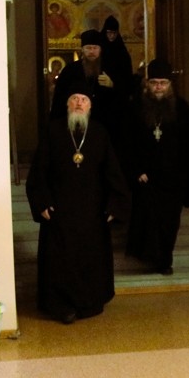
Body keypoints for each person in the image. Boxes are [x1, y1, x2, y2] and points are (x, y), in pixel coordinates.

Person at [26, 81, 131, 324]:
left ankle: (89, 303)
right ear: (67, 104)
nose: (79, 103)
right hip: (59, 212)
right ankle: (60, 305)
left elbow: (112, 171)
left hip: (92, 212)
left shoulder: (100, 133)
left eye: (84, 99)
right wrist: (42, 202)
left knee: (89, 260)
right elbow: (39, 171)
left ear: (90, 105)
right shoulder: (53, 131)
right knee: (59, 261)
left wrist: (115, 204)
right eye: (74, 98)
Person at [125, 59, 189, 275]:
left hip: (174, 178)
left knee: (170, 222)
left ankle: (164, 261)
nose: (158, 87)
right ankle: (151, 257)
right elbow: (127, 143)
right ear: (147, 84)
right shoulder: (136, 107)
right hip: (147, 178)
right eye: (154, 83)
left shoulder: (182, 108)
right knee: (149, 219)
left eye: (163, 83)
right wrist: (136, 170)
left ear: (170, 84)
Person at [50, 29, 127, 148]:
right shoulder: (70, 70)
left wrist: (112, 85)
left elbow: (123, 97)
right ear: (82, 49)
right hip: (76, 123)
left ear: (100, 49)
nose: (92, 52)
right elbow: (59, 99)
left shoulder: (110, 69)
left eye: (95, 48)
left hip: (104, 125)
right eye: (88, 48)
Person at [100, 15, 133, 96]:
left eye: (114, 33)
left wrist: (113, 83)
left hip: (118, 93)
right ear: (105, 32)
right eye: (109, 32)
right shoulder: (99, 48)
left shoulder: (122, 51)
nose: (112, 36)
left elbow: (127, 76)